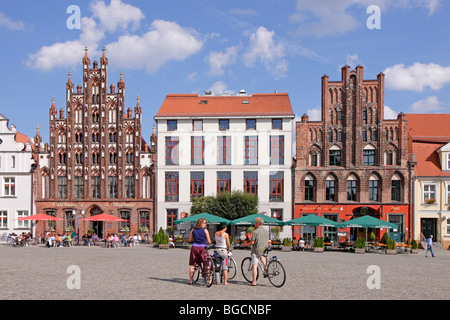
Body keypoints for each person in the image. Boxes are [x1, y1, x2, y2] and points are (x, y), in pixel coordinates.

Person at [241, 217, 270, 286]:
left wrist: (246, 244)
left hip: (256, 250)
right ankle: (266, 268)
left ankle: (254, 282)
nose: (254, 224)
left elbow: (252, 242)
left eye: (254, 222)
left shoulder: (255, 232)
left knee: (254, 266)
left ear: (257, 223)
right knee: (262, 256)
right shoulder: (266, 231)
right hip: (264, 248)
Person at [188, 218, 211, 285]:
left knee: (193, 265)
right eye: (204, 223)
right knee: (206, 263)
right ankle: (209, 280)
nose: (205, 224)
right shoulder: (205, 230)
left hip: (194, 247)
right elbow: (209, 241)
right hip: (203, 248)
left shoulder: (193, 230)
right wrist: (208, 243)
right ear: (200, 223)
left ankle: (191, 281)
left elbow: (190, 240)